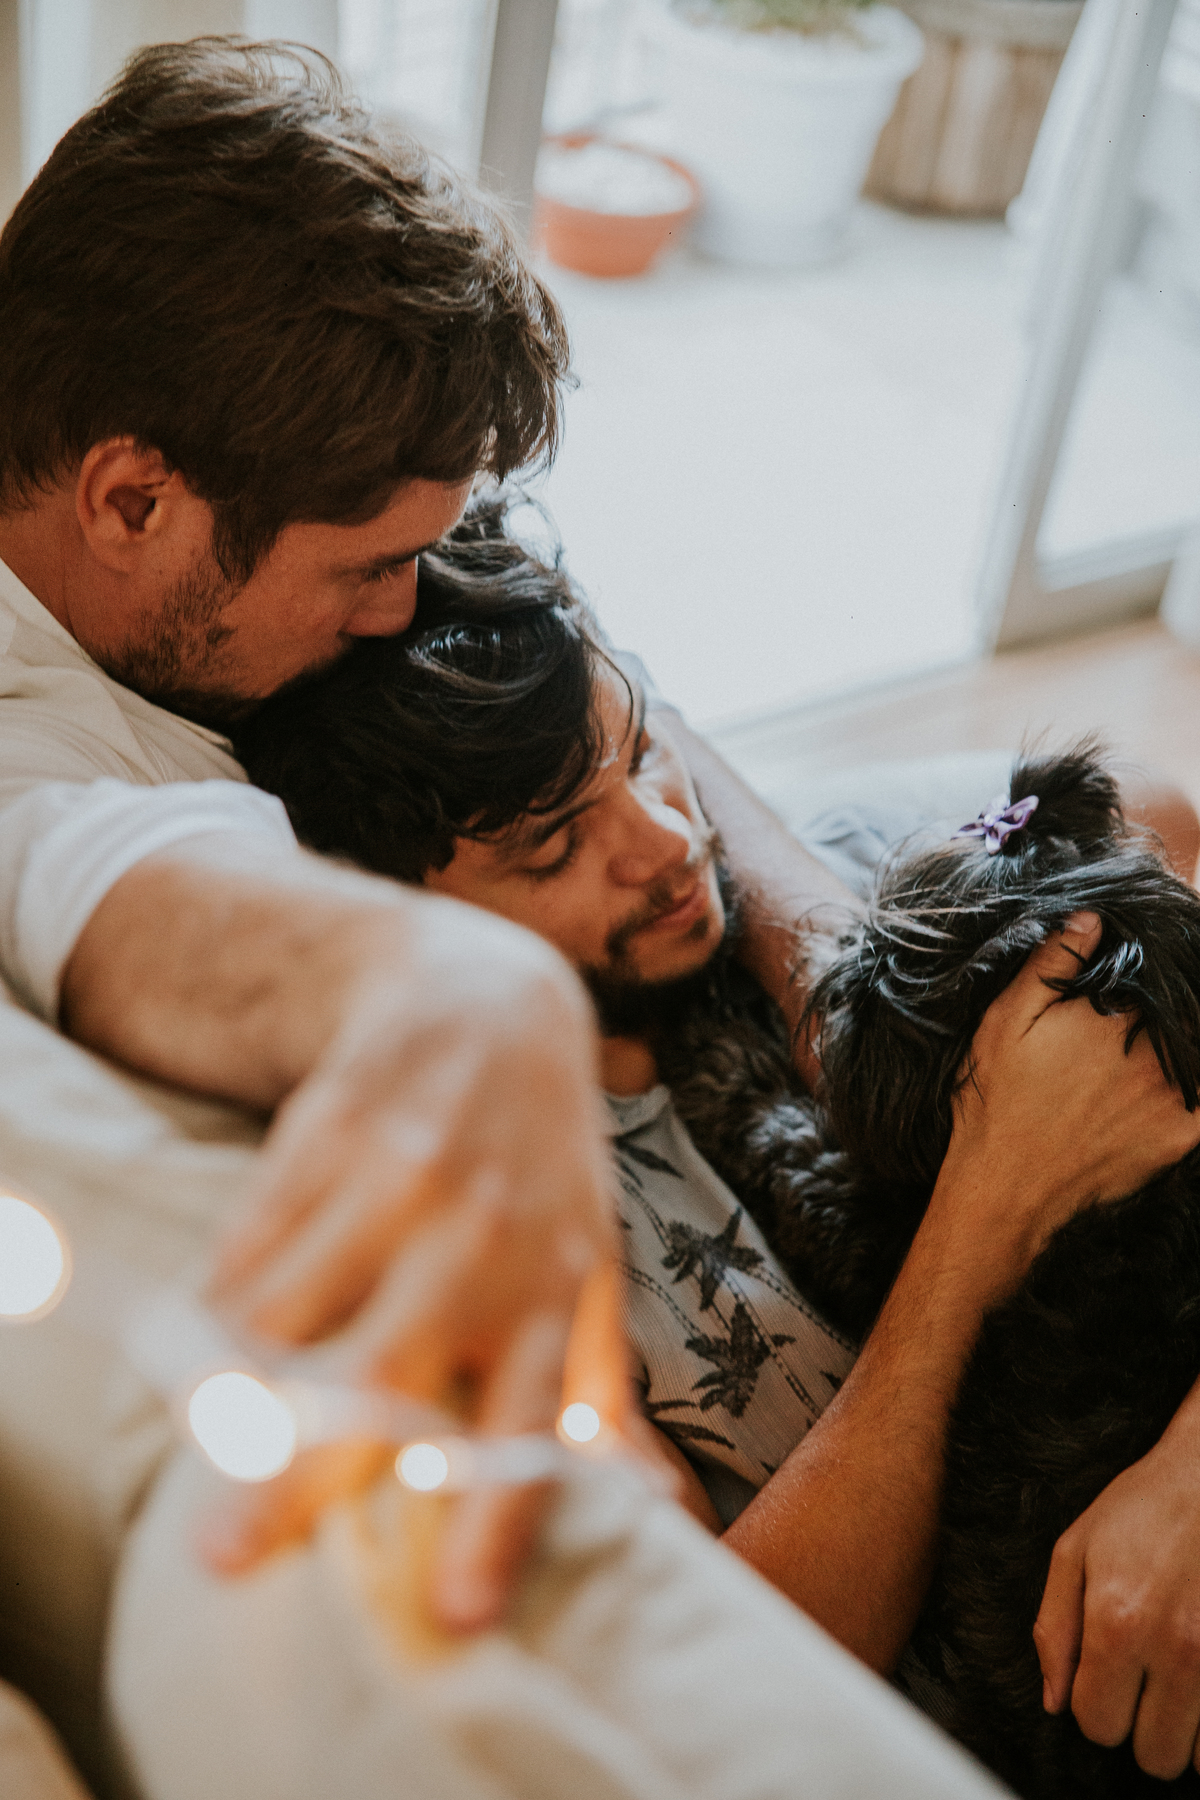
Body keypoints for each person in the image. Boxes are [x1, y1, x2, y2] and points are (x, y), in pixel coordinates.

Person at [0, 34, 1196, 1784]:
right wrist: (457, 996)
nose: (411, 599)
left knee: (1143, 823)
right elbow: (140, 893)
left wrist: (836, 977)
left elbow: (564, 650)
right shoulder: (55, 755)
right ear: (129, 499)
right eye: (371, 572)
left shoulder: (216, 522)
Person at [233, 501, 1200, 1744]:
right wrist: (984, 1212)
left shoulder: (802, 891)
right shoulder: (517, 1236)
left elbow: (1155, 819)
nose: (668, 844)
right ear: (399, 915)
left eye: (634, 755)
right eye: (550, 848)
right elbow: (716, 1671)